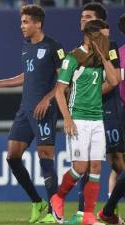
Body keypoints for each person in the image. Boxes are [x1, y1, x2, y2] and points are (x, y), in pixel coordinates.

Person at [0, 4, 64, 223]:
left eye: (25, 22)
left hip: (44, 110)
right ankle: (37, 202)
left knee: (45, 157)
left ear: (38, 23)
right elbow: (27, 75)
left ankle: (55, 213)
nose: (21, 26)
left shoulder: (54, 47)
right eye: (21, 22)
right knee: (12, 156)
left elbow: (65, 83)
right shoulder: (26, 46)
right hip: (25, 110)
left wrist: (47, 98)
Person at [50, 19, 119, 225]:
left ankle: (88, 216)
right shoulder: (73, 58)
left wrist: (104, 57)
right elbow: (59, 91)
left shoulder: (100, 59)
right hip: (78, 118)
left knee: (96, 167)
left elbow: (114, 81)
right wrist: (68, 119)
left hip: (97, 118)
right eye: (99, 37)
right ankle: (58, 197)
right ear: (89, 36)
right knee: (80, 168)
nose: (103, 41)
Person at [67, 3, 124, 224]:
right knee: (88, 162)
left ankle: (106, 211)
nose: (83, 20)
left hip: (108, 109)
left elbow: (113, 81)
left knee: (118, 163)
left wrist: (86, 95)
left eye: (89, 17)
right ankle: (86, 213)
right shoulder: (80, 51)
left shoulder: (110, 46)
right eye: (82, 17)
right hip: (89, 113)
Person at [97, 13, 125, 225]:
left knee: (117, 164)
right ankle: (107, 210)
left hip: (119, 111)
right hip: (117, 112)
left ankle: (108, 210)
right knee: (116, 163)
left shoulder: (119, 52)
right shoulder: (117, 53)